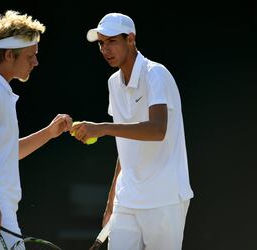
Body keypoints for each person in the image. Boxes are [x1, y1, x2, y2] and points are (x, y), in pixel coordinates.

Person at [72, 13, 194, 250]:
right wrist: (111, 201)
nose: (105, 49)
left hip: (165, 198)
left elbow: (157, 130)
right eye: (101, 43)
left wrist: (103, 128)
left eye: (112, 41)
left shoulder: (156, 74)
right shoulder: (113, 83)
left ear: (131, 39)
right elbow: (126, 145)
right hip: (126, 200)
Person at [0, 10, 72, 250]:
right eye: (30, 56)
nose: (35, 63)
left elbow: (6, 152)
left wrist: (49, 132)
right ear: (9, 54)